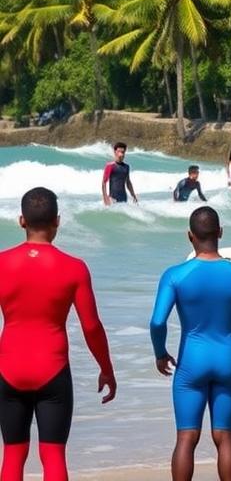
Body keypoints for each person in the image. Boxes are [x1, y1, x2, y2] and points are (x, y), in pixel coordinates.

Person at [150, 206, 231, 481]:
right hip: (228, 360)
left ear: (189, 236)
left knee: (186, 436)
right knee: (225, 435)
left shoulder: (174, 275)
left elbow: (157, 322)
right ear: (220, 233)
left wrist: (160, 353)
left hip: (192, 361)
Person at [0, 187, 116, 481]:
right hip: (53, 370)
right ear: (58, 221)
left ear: (21, 221)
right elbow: (91, 327)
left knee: (13, 455)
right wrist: (106, 369)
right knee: (53, 456)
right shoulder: (75, 268)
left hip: (8, 368)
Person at [102, 141, 137, 205]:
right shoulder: (110, 166)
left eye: (123, 152)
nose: (121, 154)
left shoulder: (126, 167)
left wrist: (133, 195)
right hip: (113, 199)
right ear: (115, 152)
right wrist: (105, 198)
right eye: (119, 151)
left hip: (124, 199)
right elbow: (104, 183)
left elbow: (128, 182)